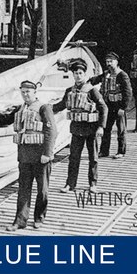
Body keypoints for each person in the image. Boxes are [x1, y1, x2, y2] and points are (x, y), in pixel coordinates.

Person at [0, 80, 57, 231]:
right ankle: (20, 221)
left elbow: (51, 131)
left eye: (28, 92)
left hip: (40, 156)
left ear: (34, 92)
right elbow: (6, 118)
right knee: (23, 189)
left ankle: (39, 217)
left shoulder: (44, 108)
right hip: (25, 156)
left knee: (42, 190)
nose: (25, 95)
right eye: (23, 92)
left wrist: (47, 153)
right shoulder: (20, 108)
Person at [53, 58, 107, 193]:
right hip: (76, 129)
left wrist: (101, 126)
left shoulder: (92, 90)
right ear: (73, 75)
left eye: (80, 73)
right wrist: (46, 109)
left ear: (85, 74)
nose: (78, 76)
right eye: (76, 73)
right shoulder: (69, 90)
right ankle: (70, 184)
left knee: (93, 158)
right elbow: (61, 106)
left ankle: (93, 184)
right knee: (73, 158)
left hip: (91, 129)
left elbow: (103, 108)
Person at [89, 52, 132, 159]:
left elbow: (128, 93)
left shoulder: (122, 75)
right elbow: (95, 80)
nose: (108, 64)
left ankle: (121, 151)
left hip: (118, 107)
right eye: (107, 62)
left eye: (111, 61)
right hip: (108, 107)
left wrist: (123, 108)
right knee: (106, 128)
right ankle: (104, 151)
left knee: (121, 130)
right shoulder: (106, 73)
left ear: (116, 62)